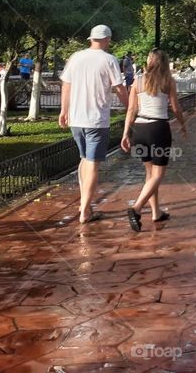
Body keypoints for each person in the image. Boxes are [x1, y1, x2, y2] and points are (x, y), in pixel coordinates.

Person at [59, 25, 129, 224]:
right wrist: (130, 106)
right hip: (97, 120)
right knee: (93, 164)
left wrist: (64, 111)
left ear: (91, 39)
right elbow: (119, 88)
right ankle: (85, 212)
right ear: (107, 39)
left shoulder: (76, 57)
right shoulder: (109, 60)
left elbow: (66, 85)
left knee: (84, 160)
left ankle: (85, 205)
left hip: (76, 119)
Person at [121, 49, 188, 232]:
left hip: (140, 131)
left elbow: (131, 110)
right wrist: (183, 124)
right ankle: (136, 208)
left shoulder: (138, 81)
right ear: (165, 62)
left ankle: (156, 212)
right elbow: (176, 107)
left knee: (150, 175)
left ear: (149, 61)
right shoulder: (168, 81)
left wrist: (126, 133)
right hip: (158, 130)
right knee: (158, 175)